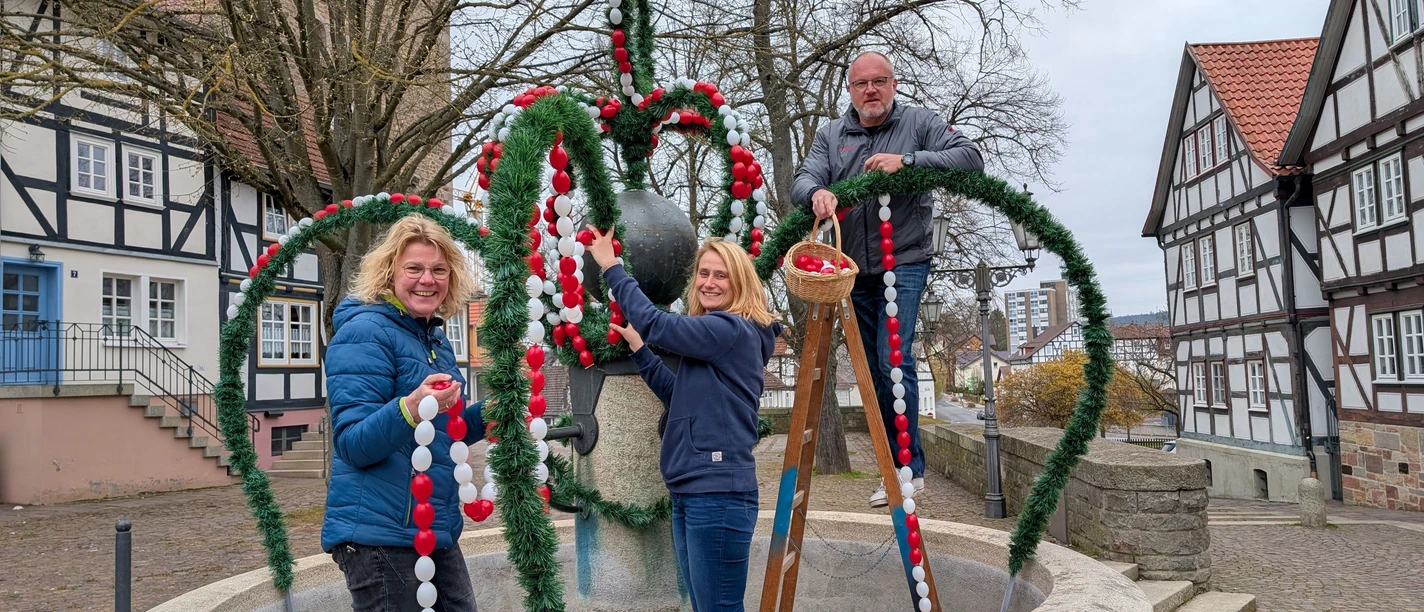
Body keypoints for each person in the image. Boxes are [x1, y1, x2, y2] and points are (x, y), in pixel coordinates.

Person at [791, 51, 984, 507]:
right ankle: (892, 467)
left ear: (893, 84)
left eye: (879, 81)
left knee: (892, 360)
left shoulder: (919, 122)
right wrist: (817, 192)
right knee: (869, 369)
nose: (871, 90)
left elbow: (970, 158)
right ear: (851, 91)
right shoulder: (832, 134)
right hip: (852, 270)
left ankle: (908, 469)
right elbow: (803, 179)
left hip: (905, 260)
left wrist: (910, 162)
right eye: (862, 84)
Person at [593, 229, 783, 612]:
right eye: (704, 273)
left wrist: (612, 267)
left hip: (718, 494)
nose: (709, 283)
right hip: (693, 492)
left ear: (740, 282)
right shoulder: (718, 337)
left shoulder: (729, 330)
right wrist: (641, 351)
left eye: (721, 275)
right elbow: (677, 397)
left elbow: (658, 324)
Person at [321, 215, 485, 612]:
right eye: (414, 268)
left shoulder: (435, 340)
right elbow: (353, 444)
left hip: (432, 529)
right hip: (379, 536)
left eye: (439, 270)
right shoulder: (365, 332)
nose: (427, 280)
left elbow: (443, 434)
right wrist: (410, 407)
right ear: (389, 272)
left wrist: (488, 415)